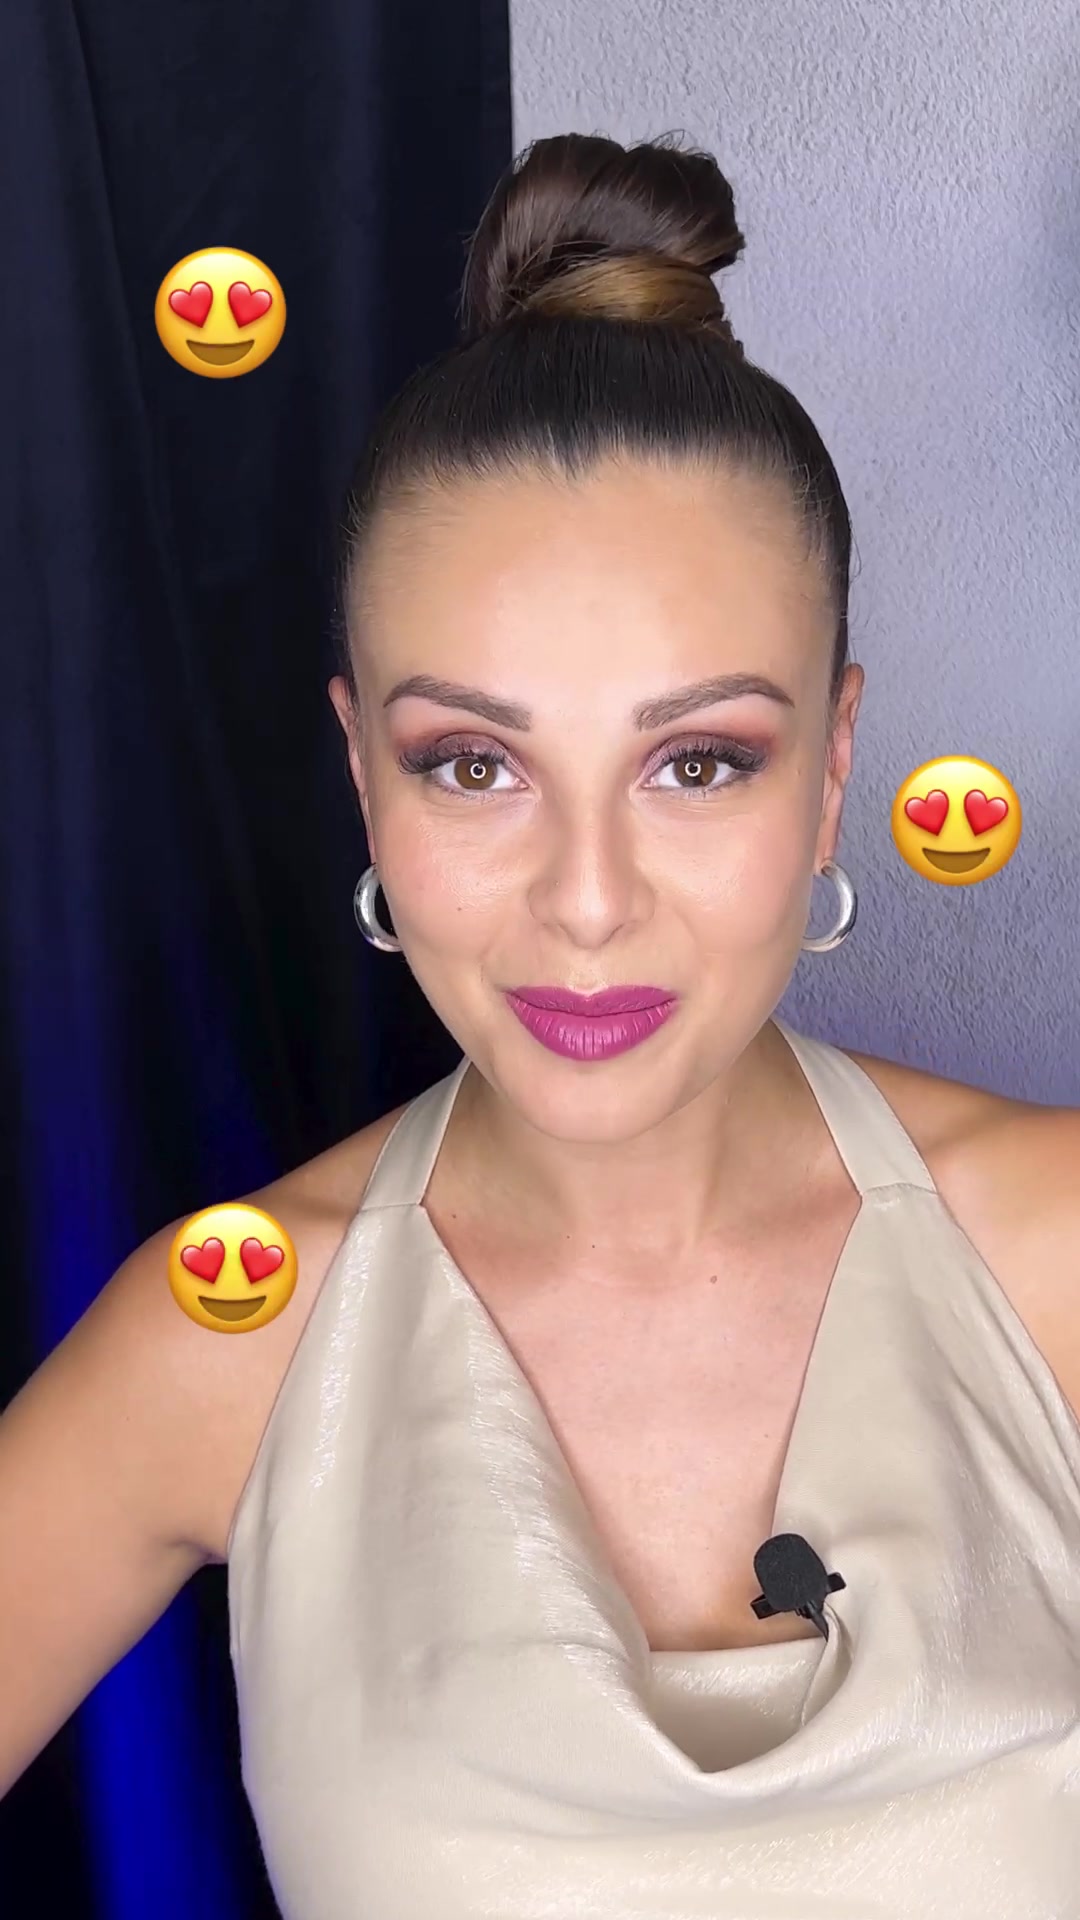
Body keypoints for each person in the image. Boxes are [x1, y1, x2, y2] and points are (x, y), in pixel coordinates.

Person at [2, 129, 1079, 1913]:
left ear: (832, 772)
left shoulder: (1054, 1256)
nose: (587, 903)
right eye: (473, 764)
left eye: (699, 762)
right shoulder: (226, 1339)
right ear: (364, 775)